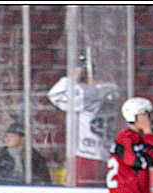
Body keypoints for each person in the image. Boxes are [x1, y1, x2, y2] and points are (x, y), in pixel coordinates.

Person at [48, 56, 121, 186]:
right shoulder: (111, 90)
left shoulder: (84, 93)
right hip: (106, 153)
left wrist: (73, 78)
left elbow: (55, 94)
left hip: (86, 154)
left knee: (83, 190)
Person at [0, 122, 52, 186]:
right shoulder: (2, 158)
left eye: (12, 136)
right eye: (7, 136)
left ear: (22, 138)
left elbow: (44, 180)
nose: (8, 139)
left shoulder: (35, 158)